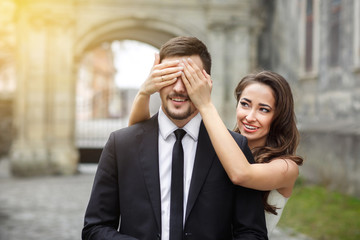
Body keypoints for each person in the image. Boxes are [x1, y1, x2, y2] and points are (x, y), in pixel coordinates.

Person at [82, 36, 268, 240]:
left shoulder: (236, 147)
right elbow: (95, 229)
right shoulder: (121, 144)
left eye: (189, 78)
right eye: (169, 76)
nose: (178, 88)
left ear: (206, 84)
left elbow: (253, 233)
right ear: (155, 81)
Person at [128, 57, 303, 235]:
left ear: (279, 116)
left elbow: (242, 174)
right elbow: (139, 141)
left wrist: (205, 104)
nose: (250, 116)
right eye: (245, 104)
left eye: (264, 109)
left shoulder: (287, 167)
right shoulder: (219, 146)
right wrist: (144, 93)